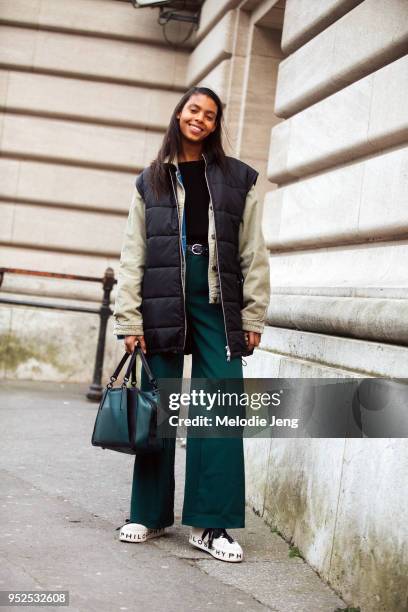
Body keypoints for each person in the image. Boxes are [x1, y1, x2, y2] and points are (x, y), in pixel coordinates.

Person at [112, 86, 270, 563]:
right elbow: (131, 253)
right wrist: (129, 316)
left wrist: (253, 313)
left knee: (219, 409)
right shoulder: (151, 180)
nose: (200, 119)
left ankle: (210, 524)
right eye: (193, 110)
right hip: (162, 300)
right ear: (179, 114)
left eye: (210, 115)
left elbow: (253, 250)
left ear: (216, 124)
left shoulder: (237, 178)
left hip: (217, 303)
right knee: (155, 407)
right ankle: (148, 513)